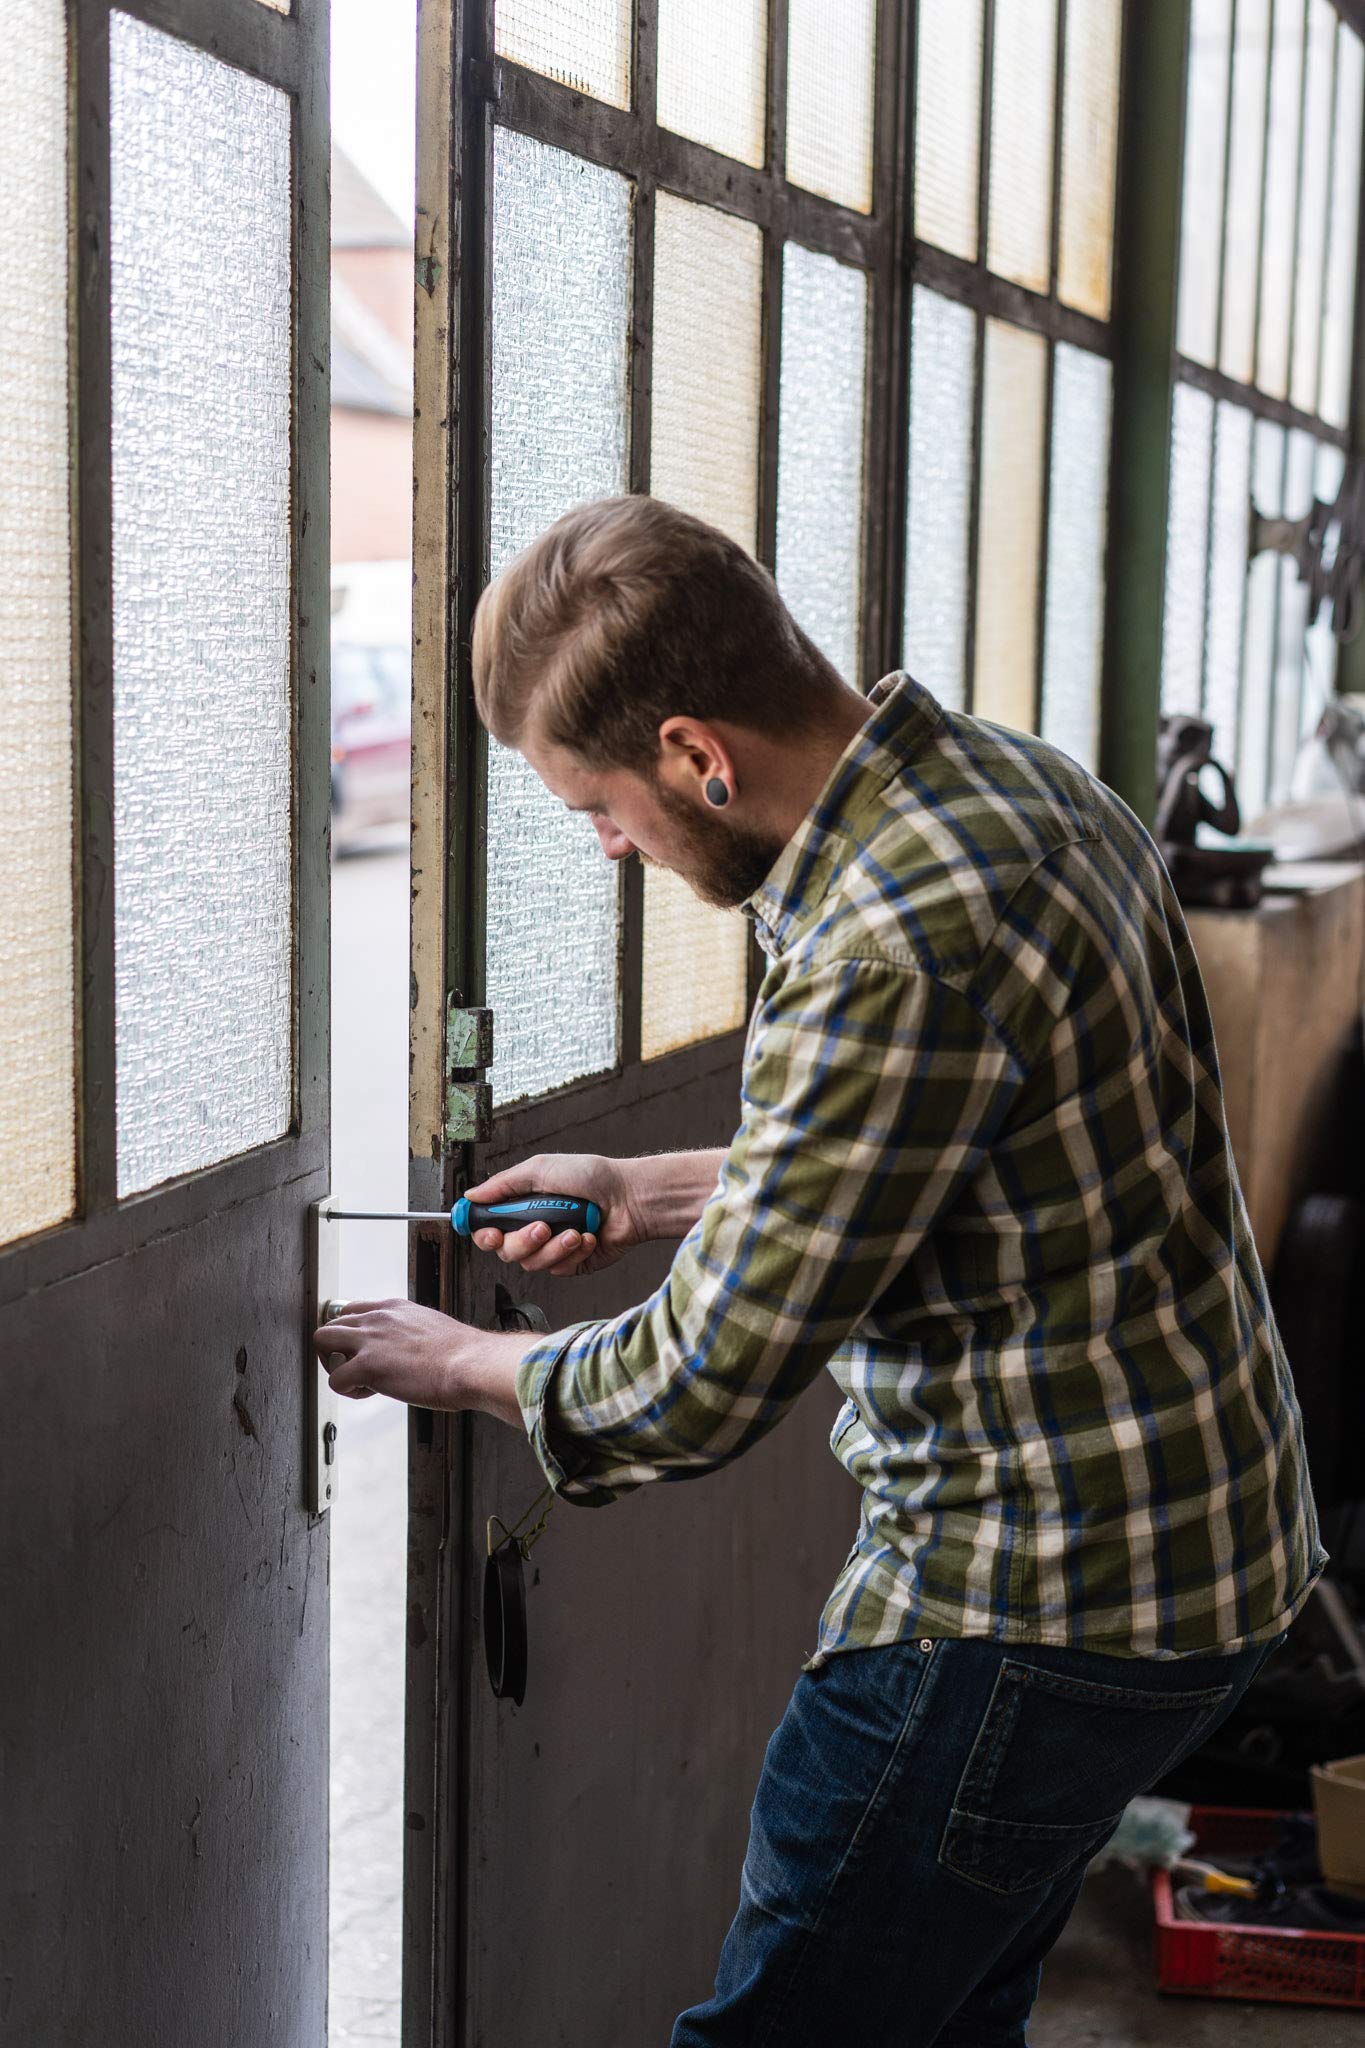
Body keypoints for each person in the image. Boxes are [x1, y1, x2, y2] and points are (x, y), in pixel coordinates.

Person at [316, 494, 1324, 2045]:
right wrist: (637, 1187)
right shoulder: (1014, 789)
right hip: (1206, 1550)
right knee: (943, 2016)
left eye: (598, 807)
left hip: (1032, 1610)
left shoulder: (882, 942)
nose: (604, 848)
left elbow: (696, 1387)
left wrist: (452, 1363)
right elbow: (945, 1155)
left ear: (695, 757)